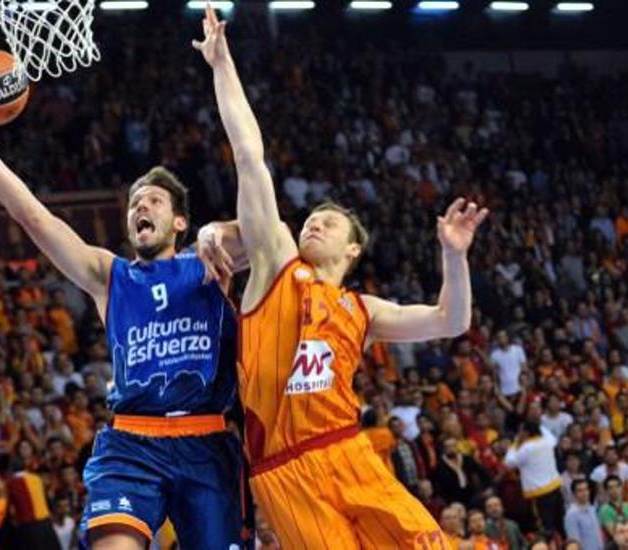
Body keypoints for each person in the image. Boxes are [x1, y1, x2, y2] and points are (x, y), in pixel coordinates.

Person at [193, 5, 487, 547]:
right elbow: (250, 157)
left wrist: (454, 255)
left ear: (353, 247)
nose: (314, 222)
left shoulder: (363, 309)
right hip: (285, 467)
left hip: (348, 450)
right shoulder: (276, 264)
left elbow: (452, 319)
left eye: (327, 222)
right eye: (311, 218)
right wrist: (221, 65)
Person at [0, 77, 248, 550]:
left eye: (153, 200)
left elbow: (271, 235)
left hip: (206, 440)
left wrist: (218, 230)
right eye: (133, 203)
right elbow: (35, 218)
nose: (139, 207)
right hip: (132, 443)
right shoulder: (111, 275)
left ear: (180, 222)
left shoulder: (210, 264)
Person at [504, 420, 564, 540]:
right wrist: (538, 425)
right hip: (556, 489)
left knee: (546, 529)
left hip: (540, 493)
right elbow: (549, 435)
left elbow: (509, 462)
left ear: (525, 433)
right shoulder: (548, 441)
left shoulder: (527, 448)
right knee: (559, 524)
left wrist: (516, 443)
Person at [564, 479, 605, 550]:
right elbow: (574, 542)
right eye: (580, 491)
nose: (584, 493)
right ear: (574, 494)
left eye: (586, 489)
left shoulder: (592, 508)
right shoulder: (571, 515)